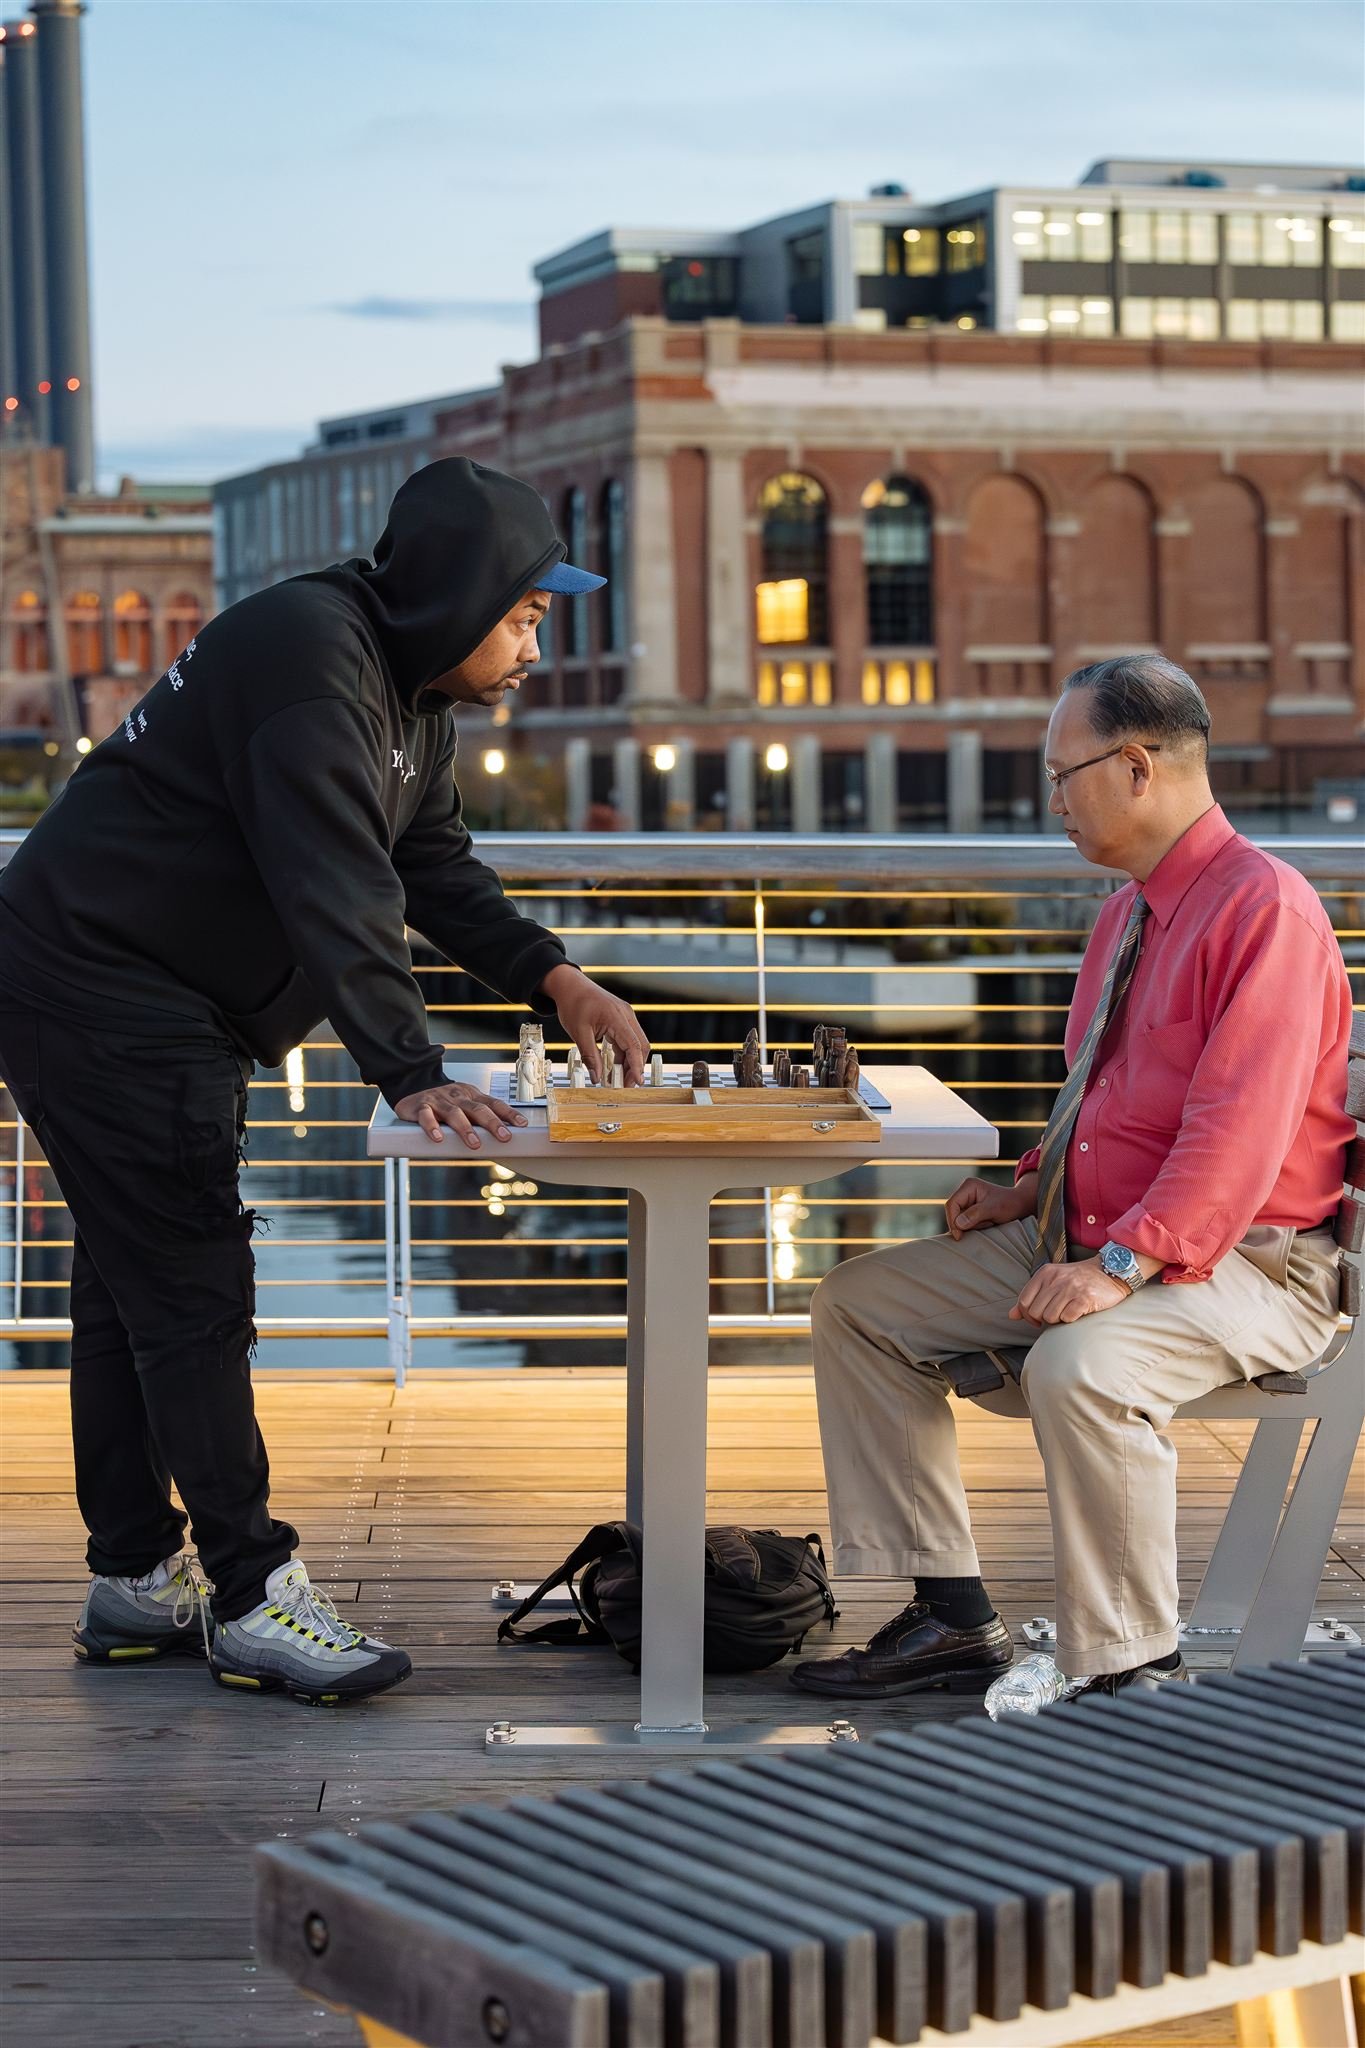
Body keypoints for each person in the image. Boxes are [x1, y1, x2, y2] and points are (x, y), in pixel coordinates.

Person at [0, 458, 649, 1705]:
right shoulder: (312, 664)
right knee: (191, 1284)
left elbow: (432, 864)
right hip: (99, 979)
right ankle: (249, 1594)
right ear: (458, 595)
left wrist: (558, 979)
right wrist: (409, 1069)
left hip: (124, 976)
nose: (533, 644)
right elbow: (336, 883)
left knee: (131, 1286)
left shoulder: (407, 691)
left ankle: (135, 1579)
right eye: (522, 614)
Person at [793, 654, 1352, 1705]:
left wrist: (1121, 1261)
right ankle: (953, 1617)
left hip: (1251, 1264)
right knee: (857, 1305)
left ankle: (1132, 1662)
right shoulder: (1127, 915)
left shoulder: (1262, 909)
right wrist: (1027, 1186)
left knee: (1078, 1367)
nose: (1050, 800)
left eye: (1064, 774)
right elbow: (1102, 1098)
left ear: (1136, 766)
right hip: (1105, 1230)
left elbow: (1237, 1130)